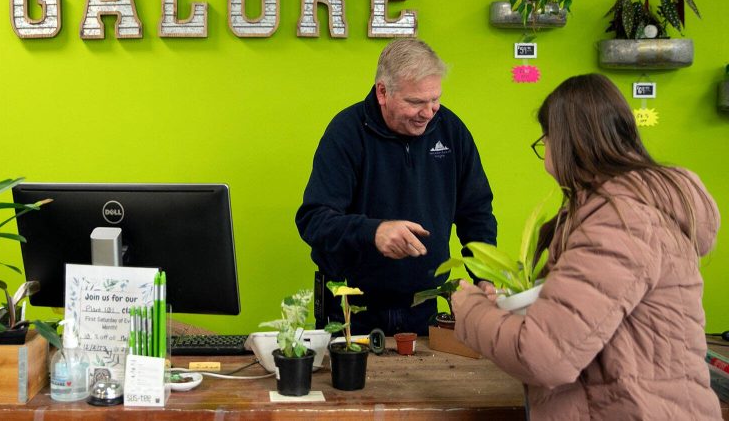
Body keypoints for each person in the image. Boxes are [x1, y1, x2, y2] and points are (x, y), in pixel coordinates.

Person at [453, 73, 721, 420]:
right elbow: (583, 316)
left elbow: (545, 355)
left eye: (545, 140)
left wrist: (472, 311)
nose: (545, 152)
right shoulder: (631, 209)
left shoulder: (621, 221)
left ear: (566, 142)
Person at [296, 38, 497, 336]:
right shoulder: (346, 133)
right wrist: (373, 232)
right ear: (382, 92)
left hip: (425, 309)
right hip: (352, 312)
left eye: (435, 99)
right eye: (415, 102)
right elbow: (313, 220)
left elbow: (475, 213)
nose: (429, 112)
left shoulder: (451, 130)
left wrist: (485, 277)